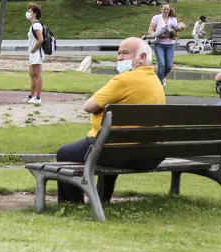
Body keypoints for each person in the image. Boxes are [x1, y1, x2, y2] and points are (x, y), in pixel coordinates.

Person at [54, 37, 164, 204]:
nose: (119, 57)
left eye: (125, 53)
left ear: (142, 57)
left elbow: (89, 106)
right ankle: (101, 199)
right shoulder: (155, 81)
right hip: (148, 154)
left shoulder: (124, 80)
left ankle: (71, 203)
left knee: (64, 153)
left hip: (117, 150)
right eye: (118, 53)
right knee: (112, 144)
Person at [148, 3, 185, 86]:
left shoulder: (173, 19)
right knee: (161, 64)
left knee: (168, 66)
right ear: (161, 9)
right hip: (159, 44)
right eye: (164, 9)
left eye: (167, 9)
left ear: (169, 9)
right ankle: (160, 83)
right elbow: (150, 30)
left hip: (170, 45)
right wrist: (156, 34)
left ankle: (161, 77)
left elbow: (176, 31)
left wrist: (174, 33)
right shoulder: (156, 18)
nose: (166, 11)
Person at [25, 2, 45, 105]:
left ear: (35, 13)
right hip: (33, 53)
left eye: (30, 11)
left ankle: (38, 97)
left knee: (37, 75)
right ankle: (31, 96)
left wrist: (33, 50)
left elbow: (40, 39)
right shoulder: (33, 25)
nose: (28, 13)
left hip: (36, 53)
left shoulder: (36, 25)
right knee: (32, 75)